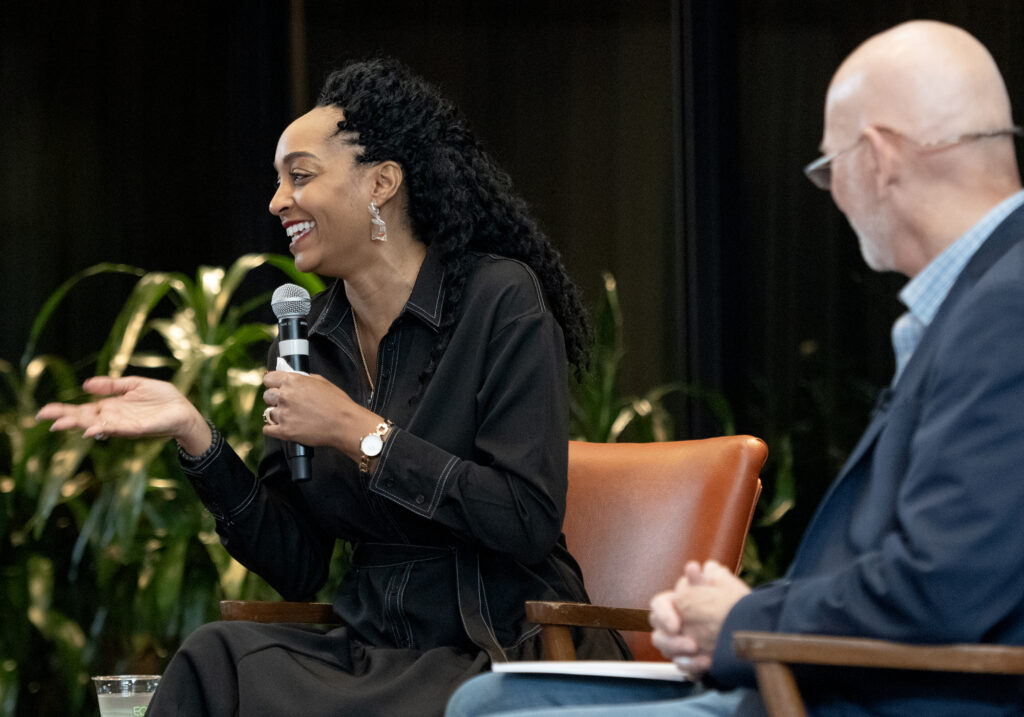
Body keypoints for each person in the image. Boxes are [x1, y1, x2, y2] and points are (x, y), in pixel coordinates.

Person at [444, 19, 1024, 717]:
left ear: (876, 157)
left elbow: (943, 586)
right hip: (841, 672)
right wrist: (745, 610)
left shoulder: (1006, 307)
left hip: (885, 695)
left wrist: (745, 622)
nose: (832, 192)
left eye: (826, 165)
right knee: (490, 695)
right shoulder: (983, 296)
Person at [36, 57, 627, 717]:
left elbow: (522, 518)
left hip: (494, 643)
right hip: (376, 648)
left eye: (301, 175)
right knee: (214, 657)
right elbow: (296, 563)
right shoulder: (307, 342)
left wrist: (359, 433)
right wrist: (196, 435)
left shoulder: (501, 301)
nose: (277, 200)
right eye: (276, 179)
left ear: (381, 182)